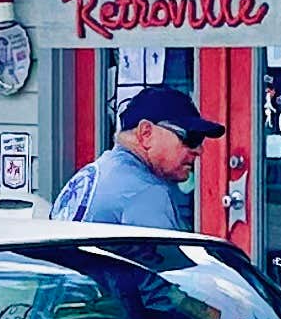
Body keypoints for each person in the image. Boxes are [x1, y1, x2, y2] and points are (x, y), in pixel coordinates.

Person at [50, 84, 221, 227]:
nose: (199, 150)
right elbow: (167, 266)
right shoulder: (146, 192)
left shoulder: (91, 174)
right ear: (146, 133)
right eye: (192, 138)